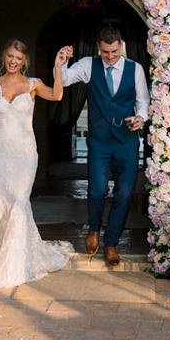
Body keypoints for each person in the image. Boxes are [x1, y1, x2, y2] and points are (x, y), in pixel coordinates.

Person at [0, 40, 73, 288]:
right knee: (0, 202)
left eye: (18, 57)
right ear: (4, 57)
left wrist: (58, 67)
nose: (13, 61)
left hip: (24, 155)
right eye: (9, 56)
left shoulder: (32, 84)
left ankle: (13, 266)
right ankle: (5, 253)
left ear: (24, 60)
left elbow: (57, 95)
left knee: (18, 203)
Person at [58, 24, 149, 268]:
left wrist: (141, 117)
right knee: (97, 191)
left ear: (121, 47)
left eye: (114, 52)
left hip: (126, 142)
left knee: (125, 193)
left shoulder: (135, 69)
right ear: (99, 47)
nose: (110, 57)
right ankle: (94, 229)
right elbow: (64, 80)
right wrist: (61, 62)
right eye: (105, 52)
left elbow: (143, 103)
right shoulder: (89, 65)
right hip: (99, 142)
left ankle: (111, 243)